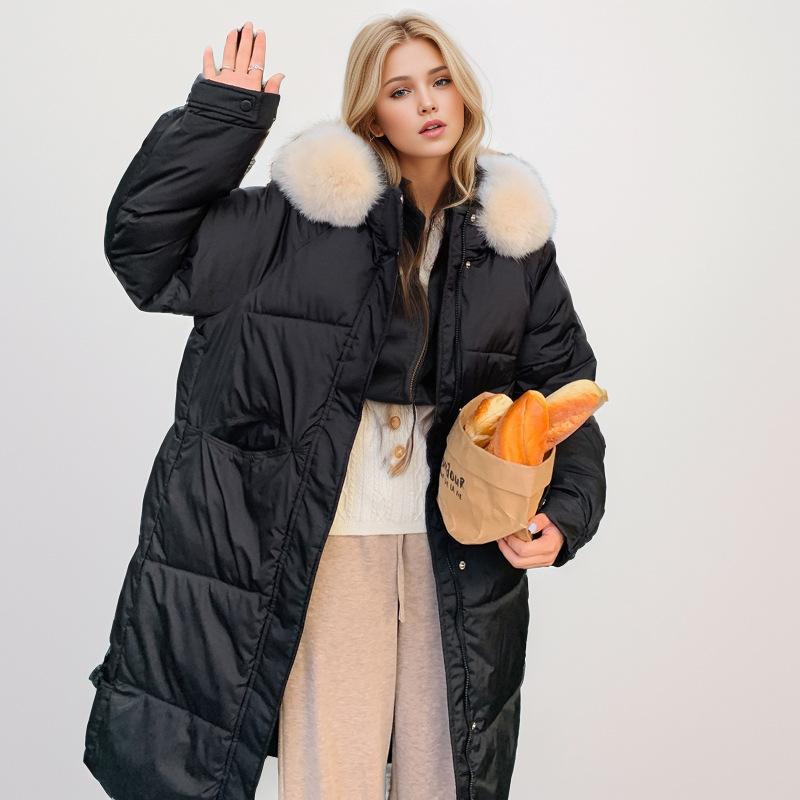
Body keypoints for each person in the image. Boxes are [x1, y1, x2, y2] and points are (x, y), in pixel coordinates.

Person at [83, 12, 606, 800]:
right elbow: (148, 254)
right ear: (372, 113)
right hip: (329, 538)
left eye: (439, 80)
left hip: (462, 550)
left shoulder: (512, 238)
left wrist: (566, 511)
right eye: (400, 89)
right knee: (335, 777)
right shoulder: (302, 215)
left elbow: (564, 386)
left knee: (447, 778)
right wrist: (220, 119)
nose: (427, 102)